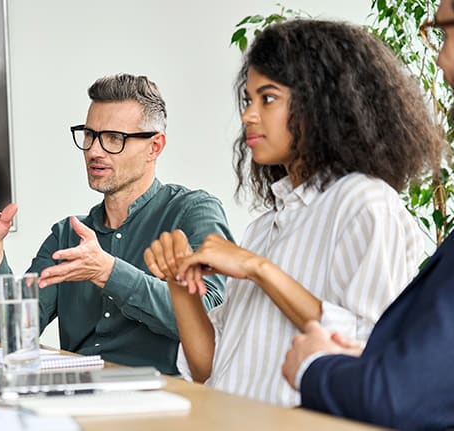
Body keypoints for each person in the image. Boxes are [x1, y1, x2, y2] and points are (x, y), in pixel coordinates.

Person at [144, 19, 441, 406]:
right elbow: (211, 367)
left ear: (323, 103)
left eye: (267, 98)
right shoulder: (265, 227)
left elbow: (369, 352)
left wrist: (258, 269)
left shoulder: (364, 203)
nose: (249, 116)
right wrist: (180, 284)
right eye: (248, 100)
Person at [0, 74, 233, 374]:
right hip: (77, 395)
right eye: (89, 135)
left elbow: (209, 318)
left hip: (161, 403)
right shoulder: (67, 234)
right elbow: (12, 333)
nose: (94, 150)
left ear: (154, 147)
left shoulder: (192, 211)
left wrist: (109, 272)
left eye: (114, 138)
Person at [281, 4, 454, 429]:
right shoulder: (267, 220)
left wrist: (314, 365)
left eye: (445, 31)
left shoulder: (368, 203)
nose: (439, 58)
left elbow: (398, 396)